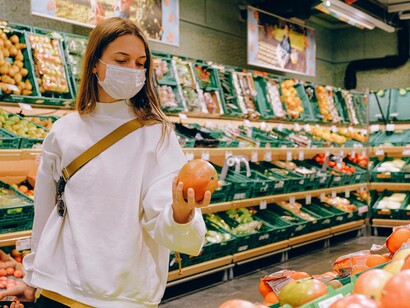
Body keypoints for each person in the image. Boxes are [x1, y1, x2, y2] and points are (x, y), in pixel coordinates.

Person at [0, 17, 210, 308]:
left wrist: (181, 213)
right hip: (57, 289)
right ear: (95, 63)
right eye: (121, 60)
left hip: (121, 298)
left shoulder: (157, 135)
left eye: (140, 63)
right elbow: (46, 212)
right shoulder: (63, 131)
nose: (133, 71)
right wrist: (32, 277)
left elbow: (175, 234)